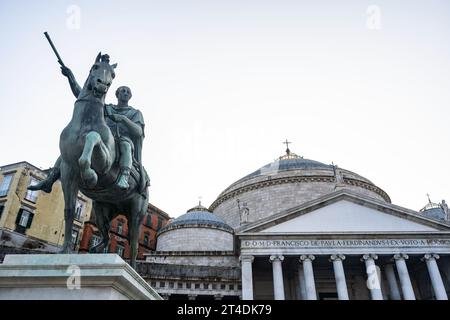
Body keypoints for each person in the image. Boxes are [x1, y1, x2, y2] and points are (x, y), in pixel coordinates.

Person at [29, 60, 147, 192]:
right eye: (122, 91)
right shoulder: (108, 108)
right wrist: (70, 77)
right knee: (70, 148)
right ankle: (50, 179)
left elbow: (138, 132)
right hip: (105, 138)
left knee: (125, 145)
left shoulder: (135, 113)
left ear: (130, 96)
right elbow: (81, 93)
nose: (125, 93)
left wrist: (123, 119)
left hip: (122, 139)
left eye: (127, 92)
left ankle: (124, 176)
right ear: (117, 94)